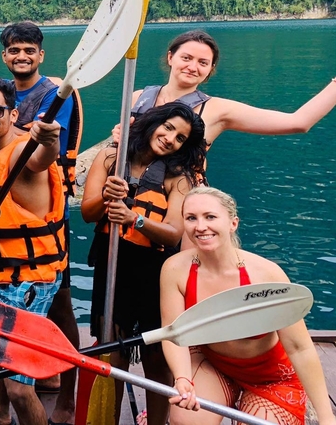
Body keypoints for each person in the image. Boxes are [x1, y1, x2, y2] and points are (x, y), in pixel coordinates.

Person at [0, 21, 83, 423]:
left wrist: (46, 139)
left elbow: (41, 158)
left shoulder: (23, 151)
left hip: (29, 280)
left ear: (13, 114)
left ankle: (42, 403)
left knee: (19, 385)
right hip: (0, 269)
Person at [160, 186, 336, 425]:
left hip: (271, 376)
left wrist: (327, 418)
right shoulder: (174, 269)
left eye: (210, 217)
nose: (200, 226)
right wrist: (183, 378)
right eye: (191, 218)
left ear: (233, 223)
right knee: (186, 419)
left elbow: (300, 349)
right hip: (214, 363)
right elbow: (172, 333)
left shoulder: (267, 275)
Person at [81, 102, 206, 425]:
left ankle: (157, 422)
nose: (170, 139)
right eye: (168, 128)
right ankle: (107, 417)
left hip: (155, 271)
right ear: (153, 123)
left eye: (180, 138)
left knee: (156, 357)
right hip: (114, 265)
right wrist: (107, 198)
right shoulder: (111, 158)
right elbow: (87, 212)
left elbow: (174, 232)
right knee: (114, 350)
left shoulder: (178, 178)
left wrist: (134, 218)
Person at [127, 30, 336, 147]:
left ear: (210, 69)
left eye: (203, 62)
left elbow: (298, 122)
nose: (192, 67)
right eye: (186, 58)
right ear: (171, 58)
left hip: (174, 210)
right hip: (124, 204)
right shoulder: (139, 98)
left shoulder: (217, 110)